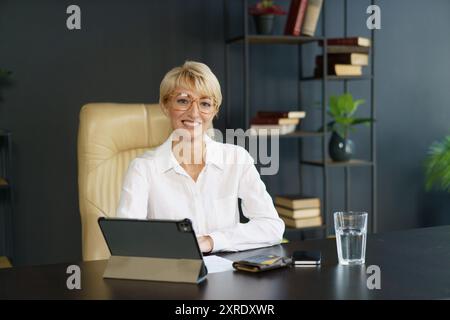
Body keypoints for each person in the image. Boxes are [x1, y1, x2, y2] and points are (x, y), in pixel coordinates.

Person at [116, 61, 284, 253]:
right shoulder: (143, 168)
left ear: (214, 110)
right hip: (171, 277)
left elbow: (272, 226)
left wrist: (211, 241)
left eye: (205, 104)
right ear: (165, 105)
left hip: (228, 278)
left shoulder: (237, 159)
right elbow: (126, 239)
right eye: (183, 101)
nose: (194, 113)